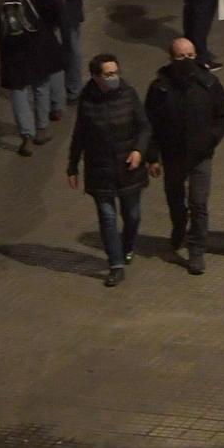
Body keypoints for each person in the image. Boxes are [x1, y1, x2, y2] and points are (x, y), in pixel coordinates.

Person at [143, 37, 224, 273]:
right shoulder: (159, 88)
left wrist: (211, 139)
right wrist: (152, 157)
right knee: (175, 200)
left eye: (190, 55)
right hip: (173, 156)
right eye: (181, 56)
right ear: (172, 58)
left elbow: (222, 116)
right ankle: (179, 227)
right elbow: (149, 124)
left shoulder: (209, 84)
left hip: (201, 155)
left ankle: (196, 249)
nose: (187, 61)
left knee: (199, 203)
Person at [65, 52, 151, 286]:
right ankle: (116, 264)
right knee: (108, 217)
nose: (114, 77)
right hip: (100, 170)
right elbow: (79, 135)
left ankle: (129, 245)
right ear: (95, 77)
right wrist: (72, 166)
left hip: (128, 168)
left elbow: (144, 127)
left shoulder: (128, 94)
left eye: (116, 73)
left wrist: (139, 151)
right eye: (108, 74)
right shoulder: (87, 101)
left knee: (132, 215)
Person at [0, 0, 64, 153]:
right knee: (41, 85)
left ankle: (26, 137)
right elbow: (55, 6)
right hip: (35, 42)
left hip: (12, 48)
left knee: (19, 91)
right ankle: (41, 129)